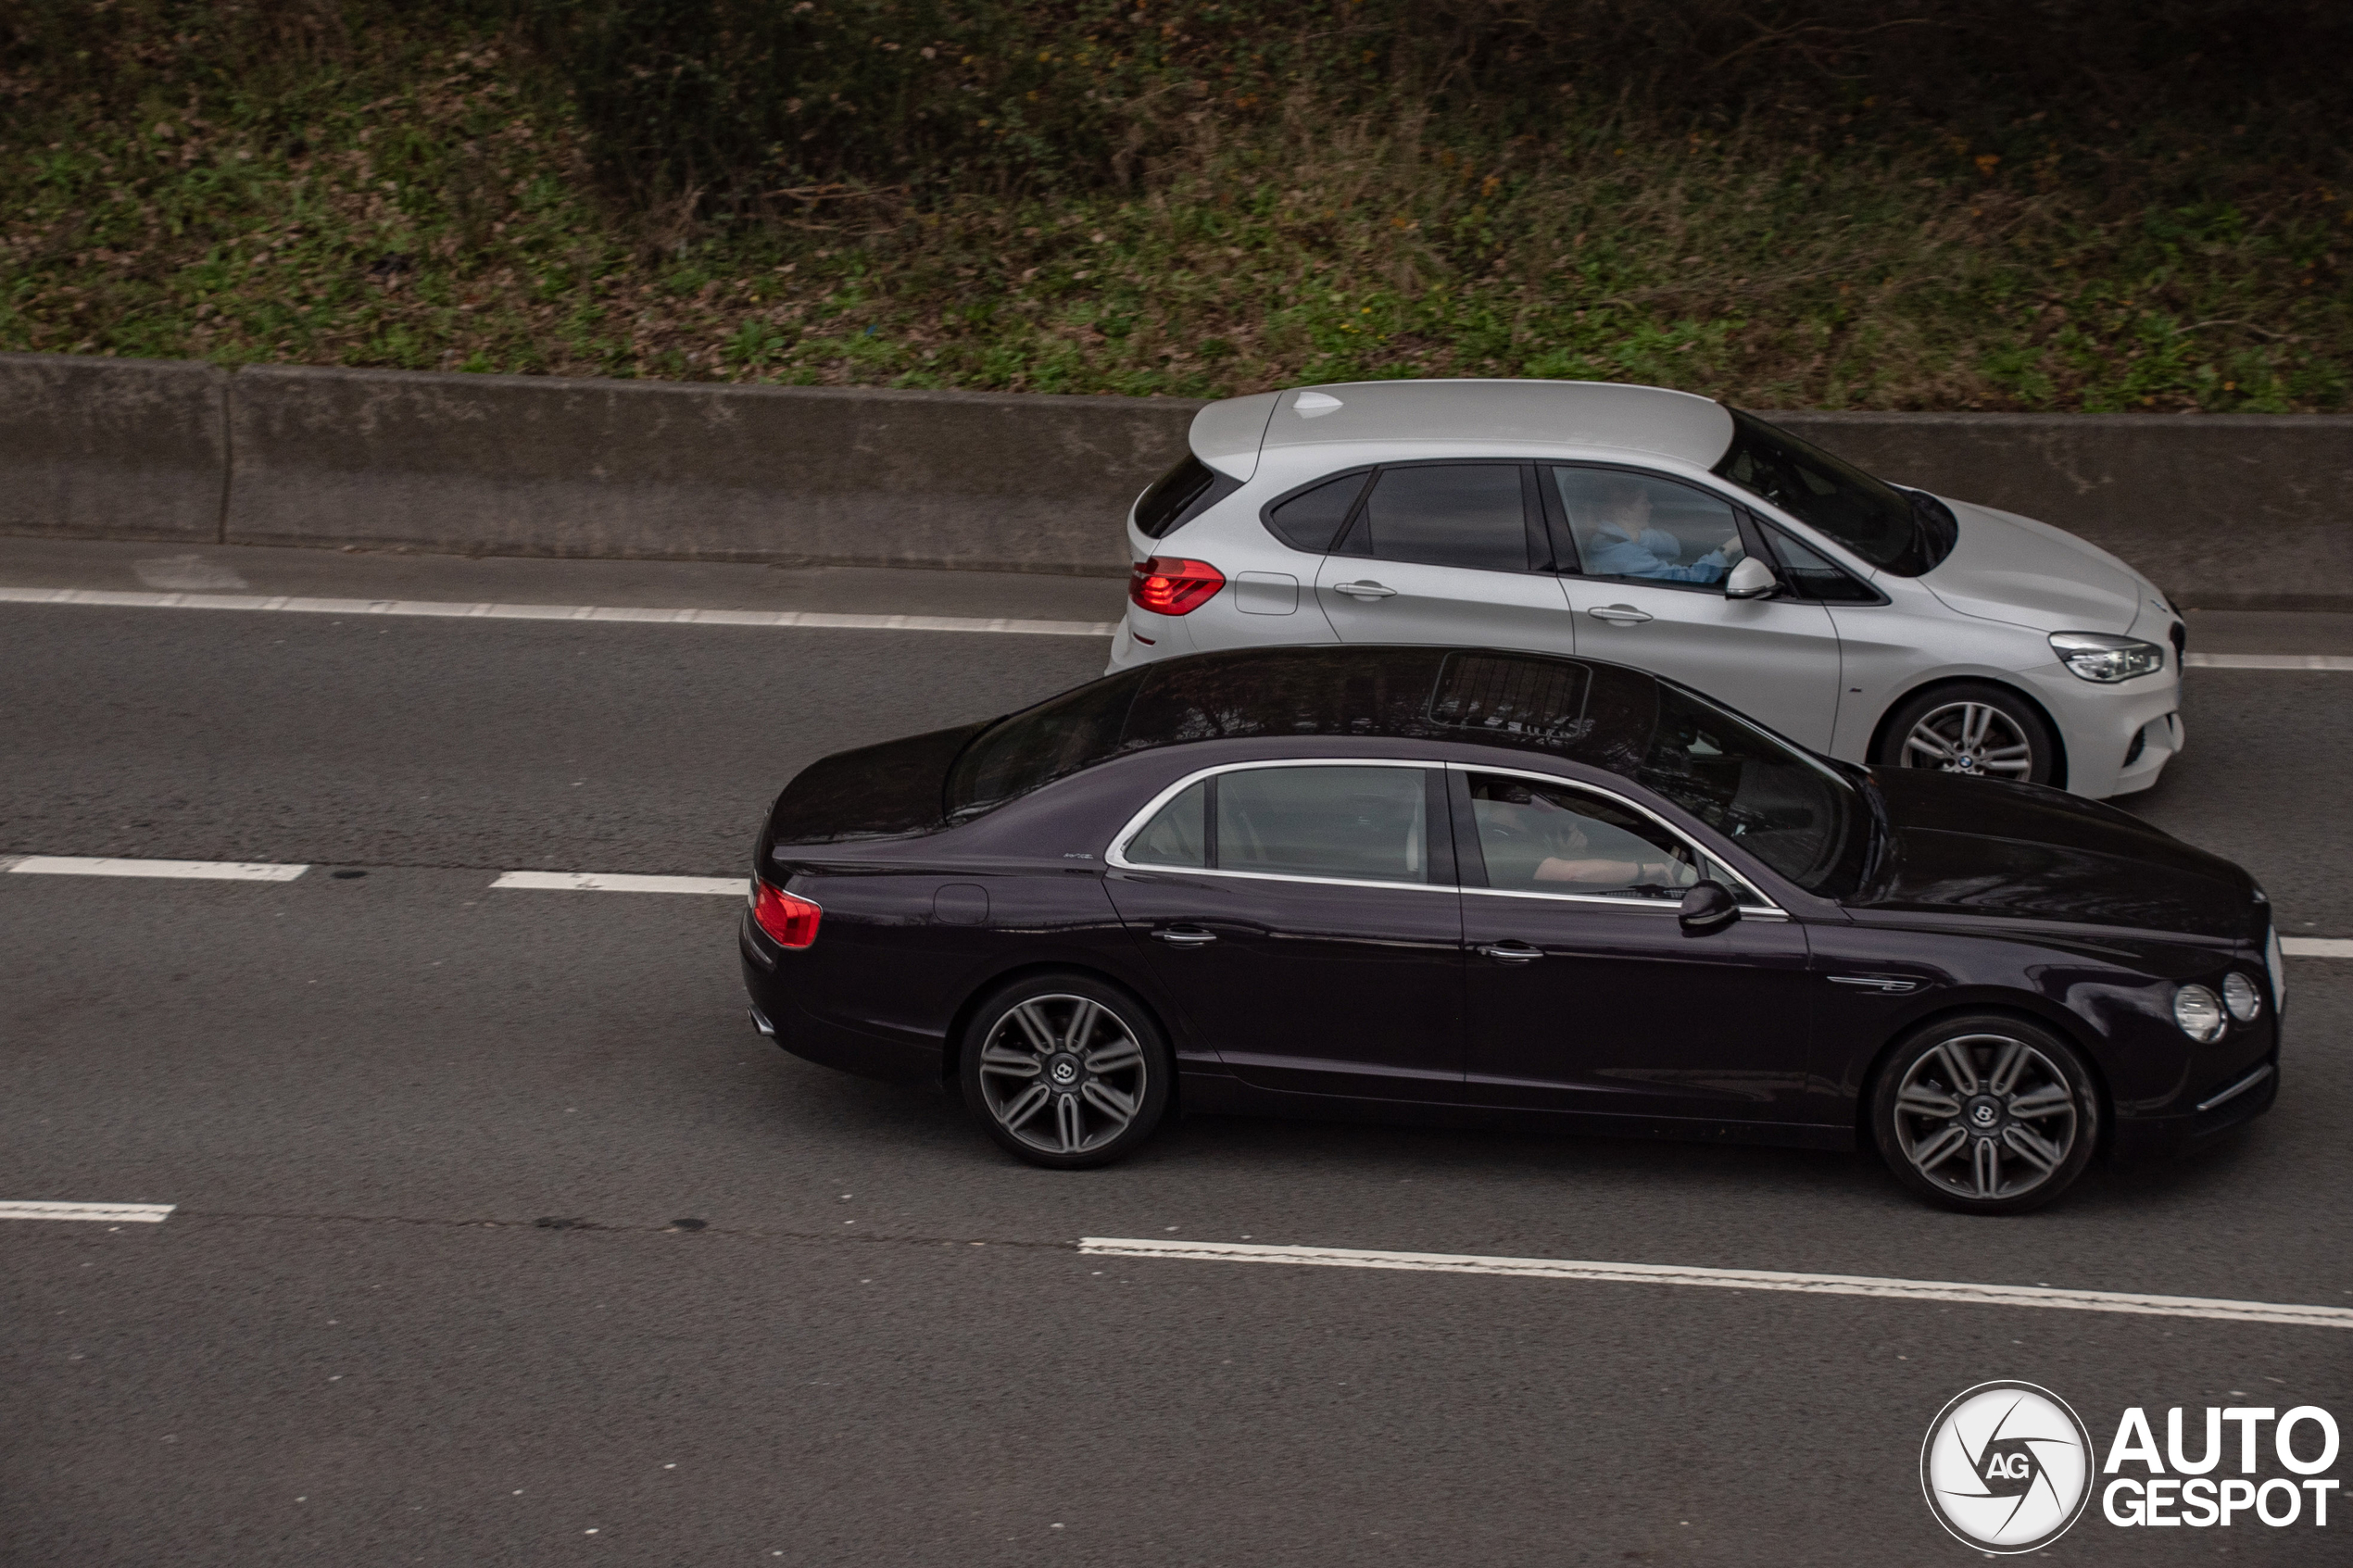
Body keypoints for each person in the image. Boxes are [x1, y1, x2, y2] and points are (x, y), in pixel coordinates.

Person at [1472, 783, 1700, 895]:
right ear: (1517, 799)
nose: (1555, 807)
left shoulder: (1524, 836)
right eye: (1548, 799)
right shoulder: (1499, 842)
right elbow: (1572, 874)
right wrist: (1646, 870)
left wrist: (1569, 855)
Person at [1579, 474, 1741, 584]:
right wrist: (1726, 550)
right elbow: (1682, 579)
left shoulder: (1611, 536)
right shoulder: (1622, 552)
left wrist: (1640, 536)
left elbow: (1673, 547)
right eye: (1644, 502)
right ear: (1625, 512)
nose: (1651, 507)